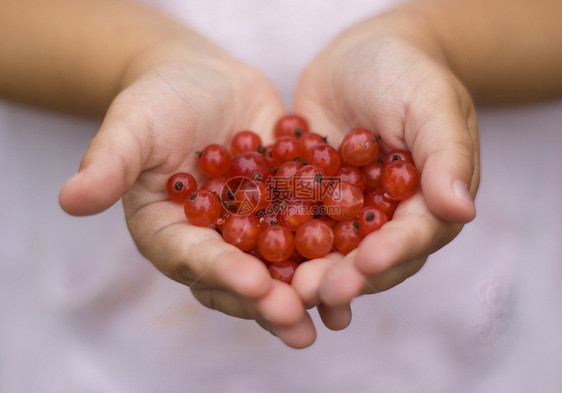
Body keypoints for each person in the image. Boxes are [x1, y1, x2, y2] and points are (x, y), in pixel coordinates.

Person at [1, 0, 561, 390]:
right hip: (102, 337)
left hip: (467, 333)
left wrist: (433, 44)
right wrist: (137, 62)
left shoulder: (336, 182)